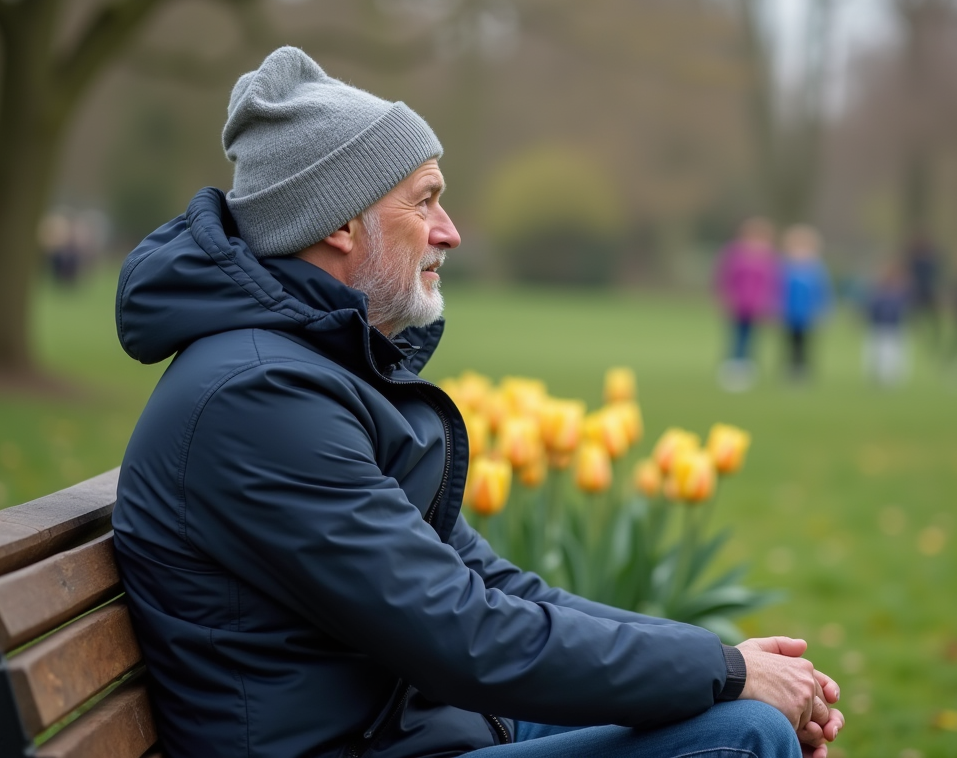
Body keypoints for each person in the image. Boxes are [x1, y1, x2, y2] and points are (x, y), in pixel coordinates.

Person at [112, 47, 844, 758]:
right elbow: (464, 634)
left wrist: (722, 668)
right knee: (744, 737)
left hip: (418, 729)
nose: (450, 231)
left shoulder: (315, 369)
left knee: (741, 716)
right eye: (425, 200)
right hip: (375, 742)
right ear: (337, 223)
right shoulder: (260, 400)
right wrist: (730, 678)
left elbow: (492, 587)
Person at [715, 216, 781, 391]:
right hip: (738, 305)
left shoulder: (769, 257)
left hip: (758, 307)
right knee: (737, 336)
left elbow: (773, 283)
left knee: (753, 338)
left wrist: (771, 304)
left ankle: (748, 369)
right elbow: (724, 278)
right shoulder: (735, 253)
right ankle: (733, 368)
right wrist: (725, 298)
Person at [780, 225, 831, 381]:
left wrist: (823, 311)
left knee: (805, 344)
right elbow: (778, 290)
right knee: (789, 343)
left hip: (808, 315)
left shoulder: (816, 269)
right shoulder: (785, 267)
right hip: (789, 315)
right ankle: (789, 369)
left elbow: (822, 292)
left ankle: (802, 371)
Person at [861, 263, 910, 386]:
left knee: (892, 354)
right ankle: (879, 377)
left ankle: (890, 377)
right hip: (878, 326)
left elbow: (904, 310)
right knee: (876, 354)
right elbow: (871, 308)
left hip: (893, 327)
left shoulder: (900, 293)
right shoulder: (878, 291)